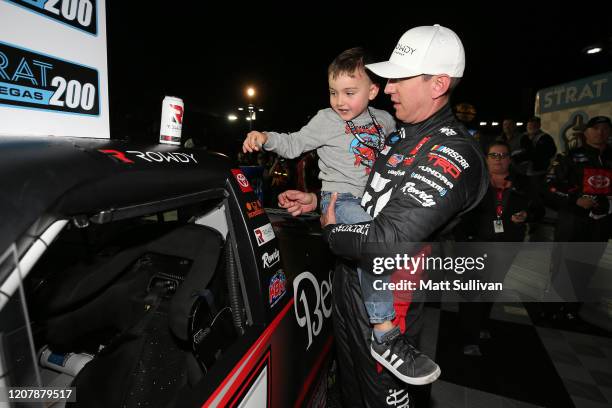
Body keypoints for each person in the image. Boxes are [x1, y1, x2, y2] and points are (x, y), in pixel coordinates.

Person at [278, 24, 488, 406]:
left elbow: (383, 241)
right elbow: (371, 196)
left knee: (380, 399)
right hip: (347, 288)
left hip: (389, 306)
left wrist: (331, 229)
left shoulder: (453, 152)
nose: (387, 88)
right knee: (351, 390)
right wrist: (316, 201)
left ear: (438, 84)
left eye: (399, 79)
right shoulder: (401, 135)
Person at [243, 47, 423, 385]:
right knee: (373, 245)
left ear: (372, 91)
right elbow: (295, 143)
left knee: (381, 247)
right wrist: (266, 138)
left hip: (374, 199)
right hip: (340, 199)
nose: (339, 100)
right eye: (333, 91)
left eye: (349, 92)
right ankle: (384, 330)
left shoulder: (384, 121)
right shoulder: (326, 120)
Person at [455, 141, 544, 356]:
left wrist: (527, 216)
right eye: (494, 155)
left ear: (510, 159)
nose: (498, 159)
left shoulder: (524, 183)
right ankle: (470, 338)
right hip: (474, 243)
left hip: (507, 244)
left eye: (503, 155)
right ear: (486, 158)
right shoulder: (473, 180)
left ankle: (482, 324)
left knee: (490, 289)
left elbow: (539, 210)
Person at [543, 115, 612, 320]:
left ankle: (573, 310)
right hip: (572, 222)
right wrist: (575, 200)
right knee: (563, 264)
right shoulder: (569, 156)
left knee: (587, 267)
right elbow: (548, 187)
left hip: (600, 223)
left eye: (605, 129)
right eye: (596, 128)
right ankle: (552, 310)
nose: (601, 132)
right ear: (586, 132)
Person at [522, 116, 556, 185]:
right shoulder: (523, 137)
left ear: (539, 125)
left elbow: (550, 153)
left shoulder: (545, 137)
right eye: (529, 125)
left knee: (535, 191)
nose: (531, 127)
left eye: (534, 125)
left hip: (538, 172)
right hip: (523, 171)